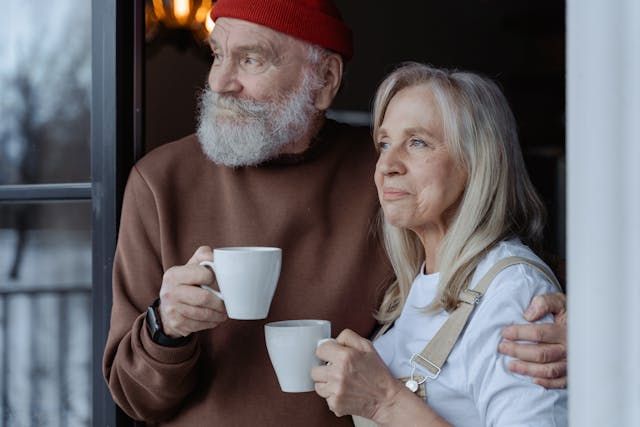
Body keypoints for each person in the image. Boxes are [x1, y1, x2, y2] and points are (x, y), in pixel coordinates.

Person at [103, 1, 567, 425]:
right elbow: (135, 397)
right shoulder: (160, 182)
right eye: (217, 55)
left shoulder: (388, 179)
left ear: (324, 80)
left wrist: (579, 325)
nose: (220, 82)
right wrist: (165, 328)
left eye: (250, 59)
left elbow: (497, 265)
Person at [312, 63, 567, 426]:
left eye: (417, 142)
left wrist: (385, 401)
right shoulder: (419, 283)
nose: (387, 164)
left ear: (477, 161)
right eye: (384, 144)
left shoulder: (513, 294)